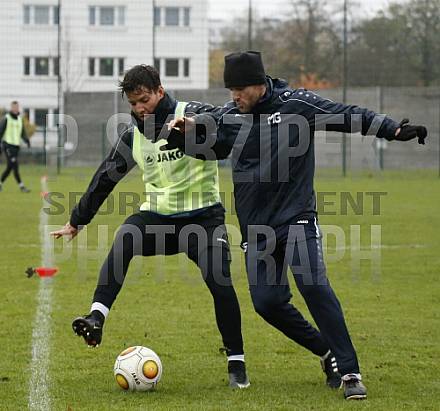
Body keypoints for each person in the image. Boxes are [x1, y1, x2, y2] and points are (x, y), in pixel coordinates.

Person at [166, 51, 428, 400]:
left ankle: (350, 372)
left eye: (240, 89)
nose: (235, 96)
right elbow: (211, 150)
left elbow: (346, 115)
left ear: (259, 84)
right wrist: (180, 137)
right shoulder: (230, 117)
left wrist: (392, 128)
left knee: (313, 284)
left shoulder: (296, 104)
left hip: (296, 216)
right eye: (231, 90)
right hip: (257, 228)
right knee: (267, 302)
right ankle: (326, 351)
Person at [50, 65, 250, 388]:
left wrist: (196, 125)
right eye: (133, 103)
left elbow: (223, 121)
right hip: (159, 219)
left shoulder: (189, 113)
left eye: (144, 100)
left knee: (219, 281)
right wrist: (77, 221)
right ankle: (96, 317)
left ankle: (236, 363)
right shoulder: (134, 137)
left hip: (203, 220)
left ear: (160, 91)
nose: (140, 108)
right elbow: (104, 179)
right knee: (126, 236)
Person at [0, 101, 31, 192]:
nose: (15, 109)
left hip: (16, 147)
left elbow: (22, 132)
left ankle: (0, 183)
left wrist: (27, 140)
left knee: (10, 167)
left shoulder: (20, 119)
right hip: (7, 145)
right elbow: (0, 131)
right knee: (15, 165)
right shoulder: (6, 118)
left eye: (16, 107)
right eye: (14, 107)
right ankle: (22, 186)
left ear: (18, 108)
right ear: (11, 108)